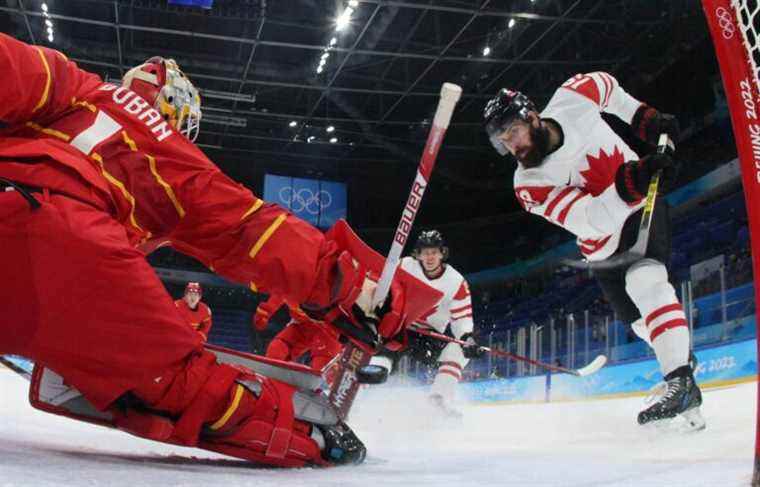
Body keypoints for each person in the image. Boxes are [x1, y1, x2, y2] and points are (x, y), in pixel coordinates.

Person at [0, 33, 435, 467]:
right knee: (182, 381)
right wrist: (351, 288)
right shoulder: (173, 154)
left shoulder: (74, 83)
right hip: (63, 239)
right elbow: (248, 230)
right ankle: (310, 431)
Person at [483, 72, 704, 429]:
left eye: (513, 131)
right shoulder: (528, 183)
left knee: (645, 281)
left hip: (640, 211)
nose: (512, 145)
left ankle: (681, 381)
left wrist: (646, 120)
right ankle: (680, 358)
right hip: (601, 248)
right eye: (503, 141)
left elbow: (611, 90)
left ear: (532, 116)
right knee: (638, 322)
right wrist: (634, 178)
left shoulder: (574, 95)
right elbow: (589, 221)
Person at [375, 230, 485, 418]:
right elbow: (382, 285)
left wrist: (467, 338)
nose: (430, 257)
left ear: (443, 253)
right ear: (418, 255)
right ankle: (366, 381)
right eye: (425, 252)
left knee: (459, 349)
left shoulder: (456, 281)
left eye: (434, 252)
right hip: (399, 328)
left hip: (427, 338)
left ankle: (438, 400)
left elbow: (462, 319)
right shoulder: (404, 265)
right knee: (378, 352)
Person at [253, 295, 343, 382]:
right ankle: (272, 377)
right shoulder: (286, 286)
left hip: (327, 329)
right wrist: (264, 313)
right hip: (302, 326)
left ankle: (329, 385)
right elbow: (277, 296)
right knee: (277, 348)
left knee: (322, 365)